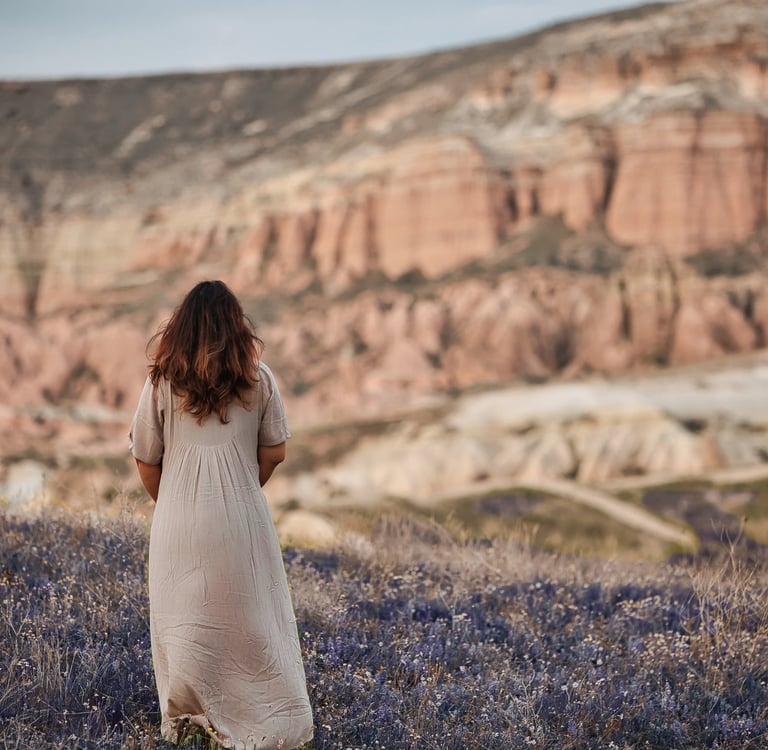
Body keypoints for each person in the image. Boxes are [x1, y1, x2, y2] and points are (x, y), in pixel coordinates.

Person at [129, 280, 313, 749]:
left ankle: (190, 728)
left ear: (182, 327)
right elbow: (275, 451)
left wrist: (172, 500)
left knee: (183, 622)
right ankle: (265, 727)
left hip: (177, 522)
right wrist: (243, 489)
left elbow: (146, 459)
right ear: (237, 327)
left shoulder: (161, 383)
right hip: (241, 518)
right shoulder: (259, 378)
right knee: (252, 622)